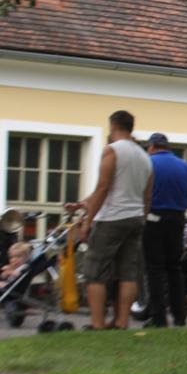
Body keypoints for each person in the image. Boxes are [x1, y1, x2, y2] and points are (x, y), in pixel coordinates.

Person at [68, 110, 153, 330]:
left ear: (113, 125)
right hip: (135, 218)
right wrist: (142, 217)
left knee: (95, 271)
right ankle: (122, 321)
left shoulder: (112, 151)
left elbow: (103, 187)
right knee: (127, 272)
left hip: (112, 218)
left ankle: (97, 323)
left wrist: (88, 221)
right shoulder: (144, 156)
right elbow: (147, 193)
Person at [142, 132, 187, 328]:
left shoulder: (148, 163)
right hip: (177, 220)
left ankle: (158, 318)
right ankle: (179, 316)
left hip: (153, 218)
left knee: (155, 269)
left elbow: (143, 195)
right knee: (174, 268)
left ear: (151, 146)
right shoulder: (185, 166)